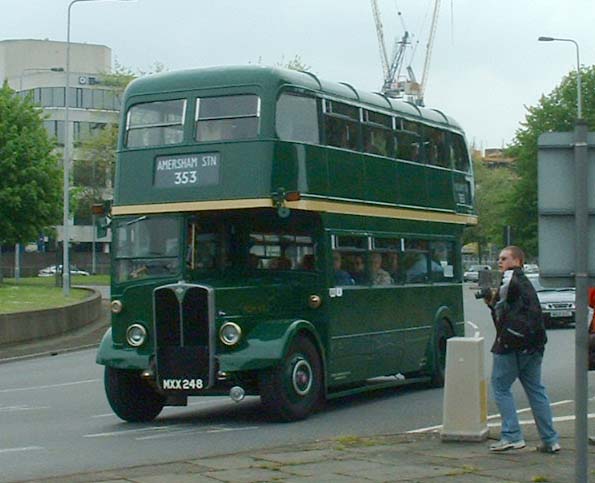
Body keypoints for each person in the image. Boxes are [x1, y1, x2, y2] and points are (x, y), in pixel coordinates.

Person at [485, 246, 560, 453]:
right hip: (534, 345)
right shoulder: (528, 283)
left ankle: (512, 436)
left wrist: (490, 299)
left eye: (504, 258)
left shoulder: (510, 278)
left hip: (511, 344)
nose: (499, 262)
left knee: (500, 387)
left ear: (516, 261)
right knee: (536, 390)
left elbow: (500, 308)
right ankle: (550, 439)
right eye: (499, 259)